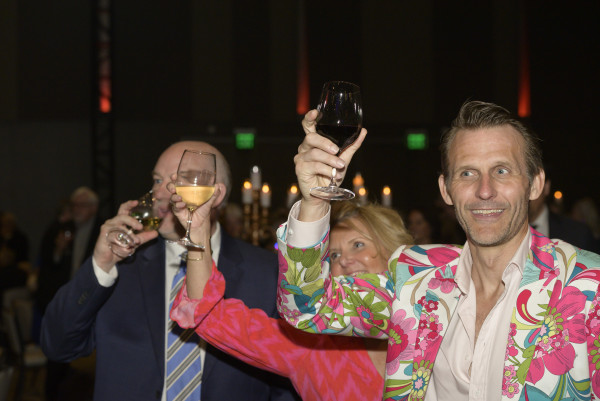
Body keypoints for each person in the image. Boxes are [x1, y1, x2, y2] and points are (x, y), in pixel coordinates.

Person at [276, 101, 600, 400]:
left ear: (535, 184)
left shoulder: (588, 286)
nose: (484, 191)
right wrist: (316, 200)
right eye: (467, 173)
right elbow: (306, 307)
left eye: (502, 171)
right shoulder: (413, 279)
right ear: (446, 190)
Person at [40, 141, 298, 401]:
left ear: (216, 195)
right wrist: (100, 266)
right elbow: (57, 345)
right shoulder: (123, 266)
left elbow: (288, 380)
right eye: (157, 180)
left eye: (179, 181)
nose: (161, 193)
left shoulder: (266, 272)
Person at [169, 200, 413, 401]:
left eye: (358, 245)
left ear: (393, 250)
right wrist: (199, 232)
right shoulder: (311, 345)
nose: (344, 261)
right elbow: (209, 314)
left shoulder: (435, 315)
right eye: (334, 255)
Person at [528, 169, 598, 252]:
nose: (526, 194)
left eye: (531, 186)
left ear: (546, 187)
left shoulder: (578, 234)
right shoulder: (510, 233)